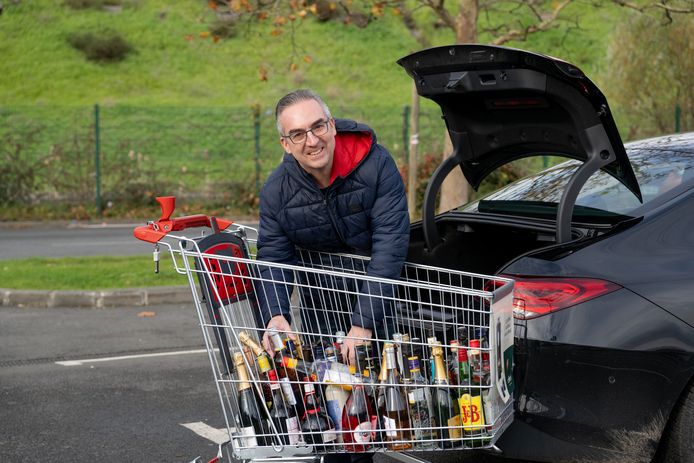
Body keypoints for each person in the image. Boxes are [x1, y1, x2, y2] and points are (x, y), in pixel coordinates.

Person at [255, 89, 410, 366]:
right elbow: (274, 257)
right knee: (331, 396)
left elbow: (390, 245)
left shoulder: (376, 165)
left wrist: (363, 324)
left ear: (332, 125)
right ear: (286, 145)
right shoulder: (276, 191)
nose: (312, 140)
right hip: (321, 309)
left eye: (318, 126)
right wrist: (275, 315)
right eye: (298, 134)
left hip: (382, 303)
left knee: (388, 392)